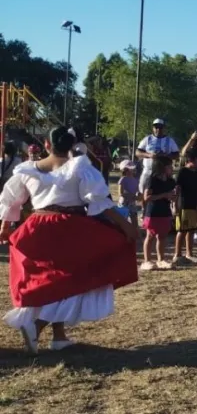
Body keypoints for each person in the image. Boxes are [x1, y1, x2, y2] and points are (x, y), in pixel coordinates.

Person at [0, 126, 138, 353]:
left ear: (46, 144)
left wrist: (5, 227)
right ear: (73, 146)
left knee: (55, 280)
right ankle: (37, 325)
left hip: (37, 227)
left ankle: (59, 336)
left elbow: (11, 199)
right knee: (77, 279)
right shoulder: (79, 167)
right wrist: (125, 226)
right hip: (68, 227)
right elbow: (99, 201)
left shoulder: (27, 169)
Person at [141, 155, 177, 271]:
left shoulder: (170, 181)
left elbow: (172, 195)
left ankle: (161, 259)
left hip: (165, 211)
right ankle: (147, 261)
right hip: (152, 212)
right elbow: (147, 197)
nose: (172, 168)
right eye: (169, 166)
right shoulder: (152, 180)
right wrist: (164, 195)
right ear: (161, 167)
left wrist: (174, 197)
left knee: (162, 236)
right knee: (150, 236)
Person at [173, 152, 197, 265]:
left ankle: (189, 253)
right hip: (184, 205)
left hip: (194, 205)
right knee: (182, 230)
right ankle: (177, 254)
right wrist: (175, 205)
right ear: (191, 160)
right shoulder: (182, 172)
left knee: (191, 230)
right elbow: (177, 189)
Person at [136, 118, 180, 194]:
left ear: (164, 128)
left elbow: (177, 154)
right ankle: (144, 206)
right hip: (148, 171)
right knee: (144, 192)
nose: (158, 129)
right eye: (156, 127)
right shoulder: (147, 139)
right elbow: (137, 152)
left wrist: (166, 155)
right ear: (153, 128)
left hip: (163, 173)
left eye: (160, 127)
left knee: (164, 192)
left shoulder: (170, 140)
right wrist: (149, 155)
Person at [118, 161, 140, 228]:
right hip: (124, 202)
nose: (131, 170)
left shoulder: (136, 180)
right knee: (122, 219)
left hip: (132, 202)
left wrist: (137, 196)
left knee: (134, 219)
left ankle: (135, 233)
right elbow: (120, 193)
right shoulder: (123, 179)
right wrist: (129, 195)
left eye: (132, 169)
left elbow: (137, 191)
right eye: (128, 169)